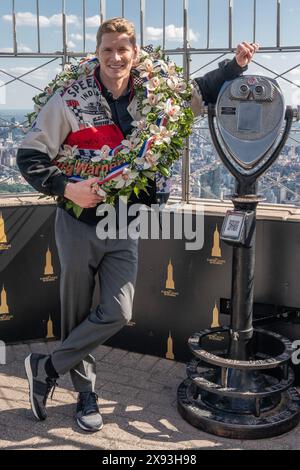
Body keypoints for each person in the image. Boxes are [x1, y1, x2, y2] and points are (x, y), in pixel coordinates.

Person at [17, 17, 258, 432]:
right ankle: (85, 393)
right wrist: (67, 189)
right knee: (76, 314)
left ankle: (46, 366)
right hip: (77, 220)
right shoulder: (69, 99)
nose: (115, 57)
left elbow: (197, 93)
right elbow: (30, 157)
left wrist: (235, 67)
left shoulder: (156, 92)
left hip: (124, 222)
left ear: (135, 52)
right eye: (107, 49)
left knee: (117, 310)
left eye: (122, 49)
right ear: (97, 52)